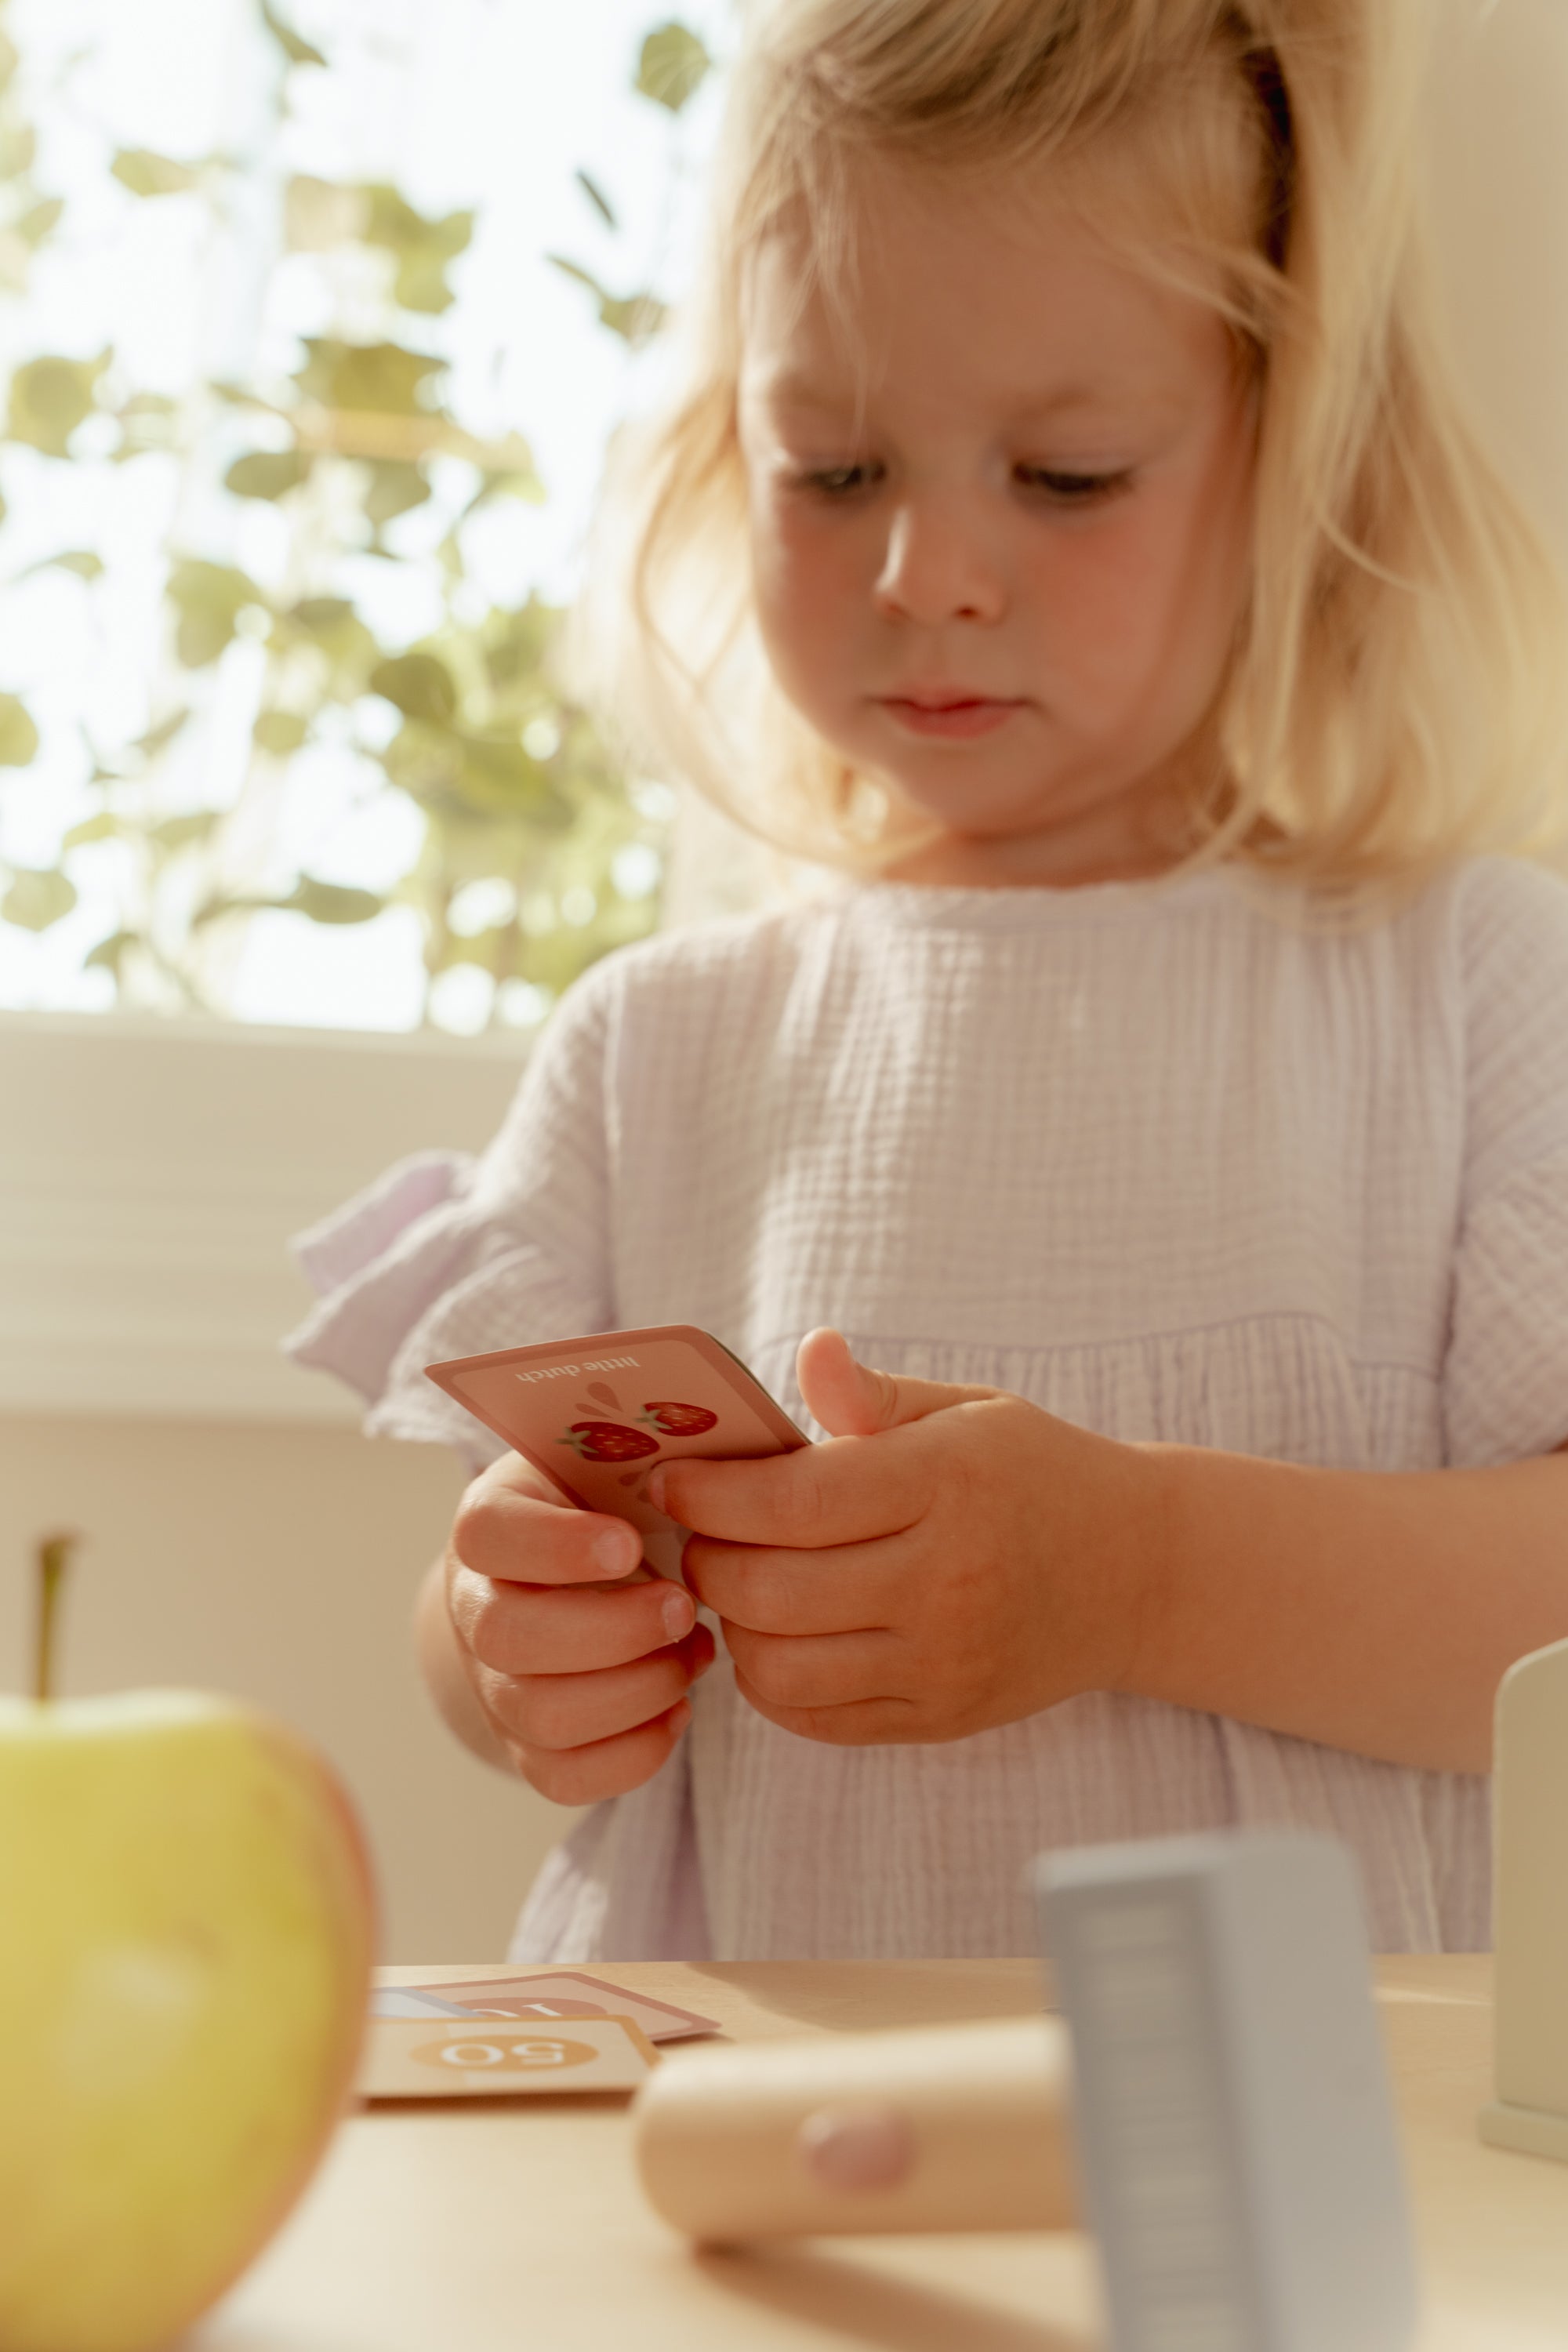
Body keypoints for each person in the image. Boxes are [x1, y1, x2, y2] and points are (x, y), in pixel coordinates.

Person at [290, 0, 1568, 1964]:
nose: (928, 574)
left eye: (1063, 475)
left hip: (1335, 2178)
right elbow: (481, 1631)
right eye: (834, 465)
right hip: (748, 2137)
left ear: (1287, 442)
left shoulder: (1470, 987)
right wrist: (508, 1633)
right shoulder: (662, 1043)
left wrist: (1142, 1572)